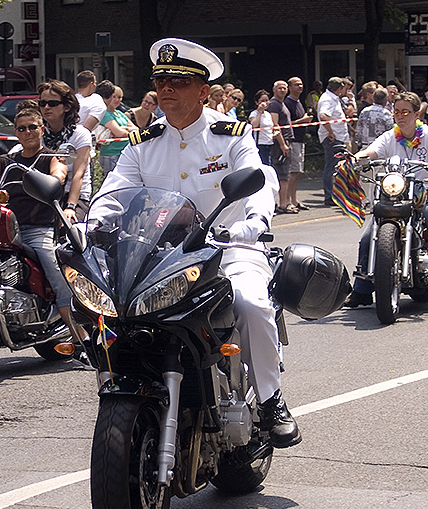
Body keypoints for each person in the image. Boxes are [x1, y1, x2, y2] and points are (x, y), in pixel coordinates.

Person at [95, 36, 301, 448]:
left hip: (229, 250)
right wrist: (90, 224)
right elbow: (113, 193)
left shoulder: (232, 137)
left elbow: (258, 181)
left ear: (204, 91)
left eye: (180, 81)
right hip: (161, 260)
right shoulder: (143, 146)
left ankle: (269, 399)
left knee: (251, 303)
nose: (167, 88)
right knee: (111, 311)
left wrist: (253, 223)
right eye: (161, 79)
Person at [344, 90, 428, 310]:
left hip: (427, 192)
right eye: (396, 112)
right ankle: (362, 291)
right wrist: (354, 158)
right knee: (367, 238)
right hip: (394, 192)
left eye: (405, 112)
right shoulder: (390, 136)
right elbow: (371, 151)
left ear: (416, 113)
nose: (400, 116)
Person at [0, 107, 73, 325]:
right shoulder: (6, 161)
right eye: (22, 128)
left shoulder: (50, 157)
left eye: (32, 127)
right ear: (16, 132)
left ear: (41, 129)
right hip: (4, 230)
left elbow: (59, 173)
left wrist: (54, 179)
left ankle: (79, 336)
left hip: (37, 229)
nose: (28, 132)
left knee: (56, 273)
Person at [37, 79, 92, 222]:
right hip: (44, 196)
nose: (46, 107)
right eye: (42, 103)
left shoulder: (80, 134)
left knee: (68, 226)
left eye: (53, 103)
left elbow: (78, 175)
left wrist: (70, 207)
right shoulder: (37, 133)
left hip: (74, 196)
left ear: (67, 107)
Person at [317, 77, 349, 205]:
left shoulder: (333, 98)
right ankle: (329, 196)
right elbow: (323, 116)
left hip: (339, 136)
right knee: (331, 166)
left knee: (338, 167)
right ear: (339, 88)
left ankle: (336, 194)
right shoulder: (328, 99)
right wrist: (330, 132)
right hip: (333, 138)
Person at [284, 76, 313, 210]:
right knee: (292, 171)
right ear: (290, 88)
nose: (300, 87)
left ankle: (295, 200)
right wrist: (302, 120)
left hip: (300, 140)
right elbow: (286, 124)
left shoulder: (298, 102)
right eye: (296, 85)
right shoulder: (288, 103)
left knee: (297, 171)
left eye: (301, 84)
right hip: (293, 140)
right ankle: (288, 200)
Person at [268, 80, 297, 213]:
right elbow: (275, 125)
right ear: (274, 90)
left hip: (286, 140)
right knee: (282, 174)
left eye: (285, 88)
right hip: (280, 143)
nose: (282, 90)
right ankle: (283, 204)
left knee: (285, 173)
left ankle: (284, 202)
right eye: (280, 88)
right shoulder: (274, 104)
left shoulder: (282, 104)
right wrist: (282, 144)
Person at [96, 81, 134, 178]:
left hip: (124, 153)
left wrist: (123, 128)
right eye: (114, 97)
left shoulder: (120, 113)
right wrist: (124, 130)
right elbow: (119, 133)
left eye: (119, 97)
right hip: (111, 155)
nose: (117, 100)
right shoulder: (105, 113)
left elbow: (136, 129)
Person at [248, 90, 274, 165]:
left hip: (269, 143)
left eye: (267, 100)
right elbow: (254, 125)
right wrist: (259, 111)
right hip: (260, 144)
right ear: (257, 102)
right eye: (262, 100)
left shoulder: (268, 114)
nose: (265, 103)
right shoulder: (254, 113)